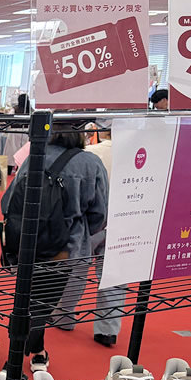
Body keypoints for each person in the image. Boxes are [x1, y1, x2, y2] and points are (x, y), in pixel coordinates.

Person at [1, 125, 108, 371]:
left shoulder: (34, 157)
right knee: (44, 302)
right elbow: (99, 213)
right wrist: (78, 229)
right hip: (66, 246)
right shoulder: (90, 163)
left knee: (27, 299)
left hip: (28, 241)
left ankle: (33, 352)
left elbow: (9, 200)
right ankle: (15, 361)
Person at [53, 124, 124, 347]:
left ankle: (64, 315)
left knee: (76, 270)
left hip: (88, 222)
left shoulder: (90, 154)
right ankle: (107, 328)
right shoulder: (138, 154)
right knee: (114, 276)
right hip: (123, 221)